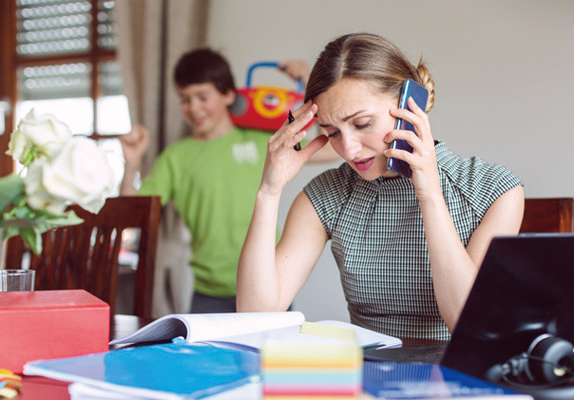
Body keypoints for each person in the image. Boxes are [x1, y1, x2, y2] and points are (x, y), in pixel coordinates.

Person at [237, 33, 525, 341]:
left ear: (411, 104)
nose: (348, 149)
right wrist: (269, 192)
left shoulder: (494, 190)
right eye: (333, 132)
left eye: (361, 124)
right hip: (368, 382)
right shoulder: (326, 195)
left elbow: (468, 325)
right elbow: (256, 314)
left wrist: (428, 193)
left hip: (456, 380)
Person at [120, 48, 335, 314]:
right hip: (208, 296)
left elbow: (326, 148)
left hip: (268, 288)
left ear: (228, 95)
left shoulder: (263, 141)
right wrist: (131, 163)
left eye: (202, 97)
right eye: (185, 99)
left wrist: (309, 83)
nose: (194, 107)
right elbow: (130, 215)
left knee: (274, 358)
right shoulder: (175, 157)